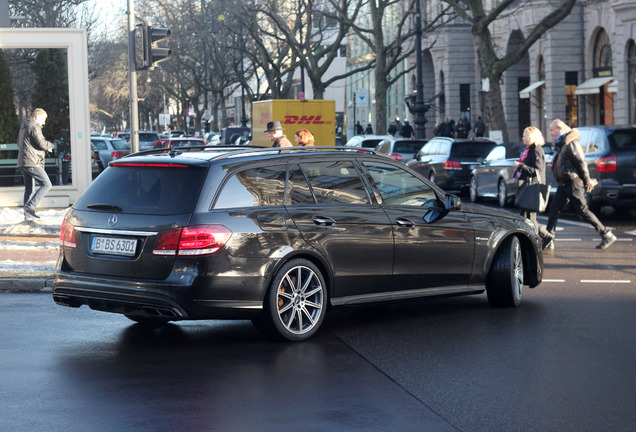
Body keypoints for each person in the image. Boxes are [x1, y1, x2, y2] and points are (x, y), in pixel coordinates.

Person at [544, 119, 617, 250]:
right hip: (564, 184)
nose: (550, 133)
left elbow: (581, 162)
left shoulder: (570, 143)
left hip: (572, 183)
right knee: (554, 209)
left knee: (583, 211)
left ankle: (606, 234)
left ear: (559, 129)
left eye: (552, 130)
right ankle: (549, 238)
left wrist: (587, 181)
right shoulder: (562, 144)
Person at [514, 126, 551, 240]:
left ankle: (540, 239)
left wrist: (522, 166)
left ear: (531, 137)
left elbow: (537, 171)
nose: (522, 138)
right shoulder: (529, 150)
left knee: (530, 217)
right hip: (527, 186)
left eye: (525, 135)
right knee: (527, 217)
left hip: (533, 187)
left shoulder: (536, 150)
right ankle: (547, 236)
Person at [18, 108, 54, 221]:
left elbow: (18, 142)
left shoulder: (24, 126)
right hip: (32, 161)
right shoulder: (34, 126)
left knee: (29, 188)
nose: (44, 123)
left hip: (23, 161)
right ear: (37, 117)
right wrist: (50, 146)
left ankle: (27, 217)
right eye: (43, 120)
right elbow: (41, 143)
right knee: (47, 184)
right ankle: (30, 207)